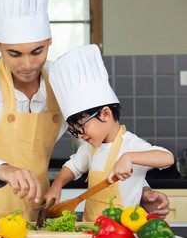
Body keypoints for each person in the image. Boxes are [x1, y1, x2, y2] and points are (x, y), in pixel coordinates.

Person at [0, 0, 170, 227]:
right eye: (14, 53)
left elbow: (98, 148)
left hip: (37, 216)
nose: (27, 65)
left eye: (37, 51)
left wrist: (139, 190)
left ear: (49, 41)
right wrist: (2, 169)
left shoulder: (61, 82)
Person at [45, 44, 175, 222]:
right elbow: (73, 166)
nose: (81, 135)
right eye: (75, 131)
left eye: (81, 127)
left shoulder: (129, 145)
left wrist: (128, 158)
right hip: (91, 232)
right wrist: (57, 185)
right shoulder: (91, 148)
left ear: (105, 113)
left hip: (123, 233)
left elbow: (167, 158)